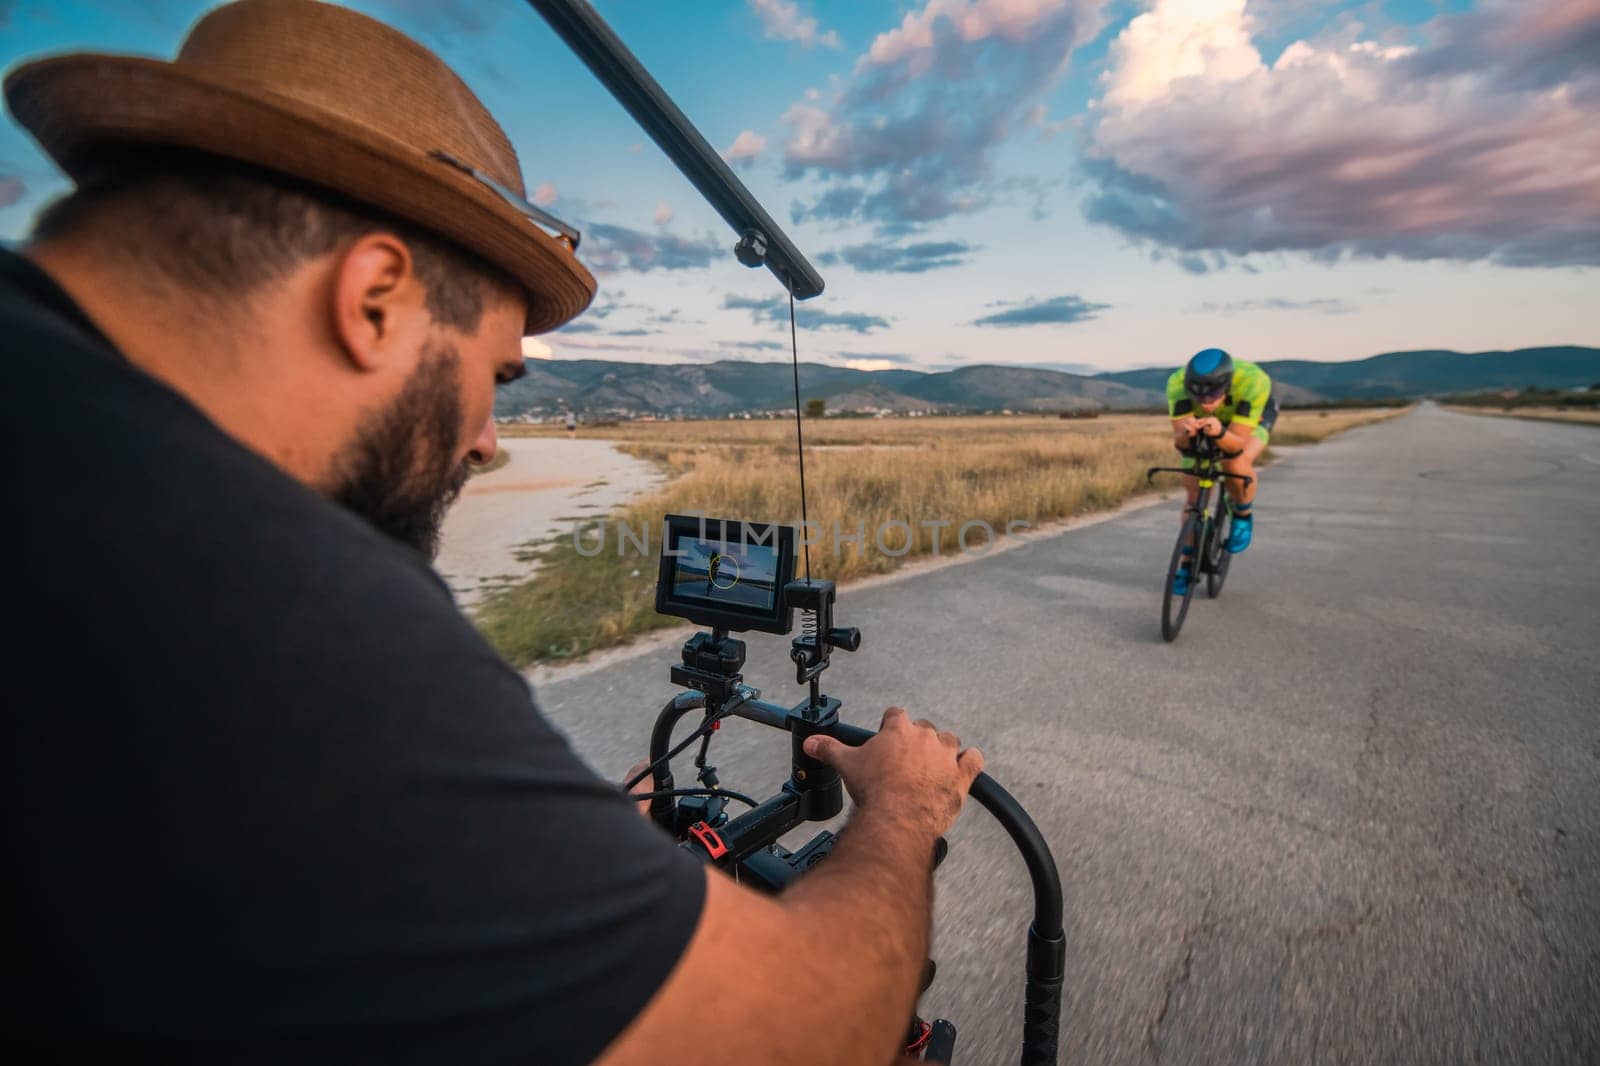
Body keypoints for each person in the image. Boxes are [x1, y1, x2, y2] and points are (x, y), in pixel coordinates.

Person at [3, 2, 982, 1063]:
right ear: (374, 299)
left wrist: (544, 843)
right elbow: (806, 1031)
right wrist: (904, 812)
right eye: (496, 377)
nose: (487, 442)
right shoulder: (259, 599)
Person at [1166, 347, 1278, 594]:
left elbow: (1236, 444)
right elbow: (1180, 443)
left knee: (1234, 463)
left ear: (1226, 386)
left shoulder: (1253, 381)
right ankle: (1186, 562)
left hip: (1247, 421)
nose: (1206, 404)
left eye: (1212, 396)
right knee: (1193, 490)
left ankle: (1242, 513)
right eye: (1198, 397)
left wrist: (1218, 432)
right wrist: (1186, 433)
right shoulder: (1175, 383)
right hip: (1211, 426)